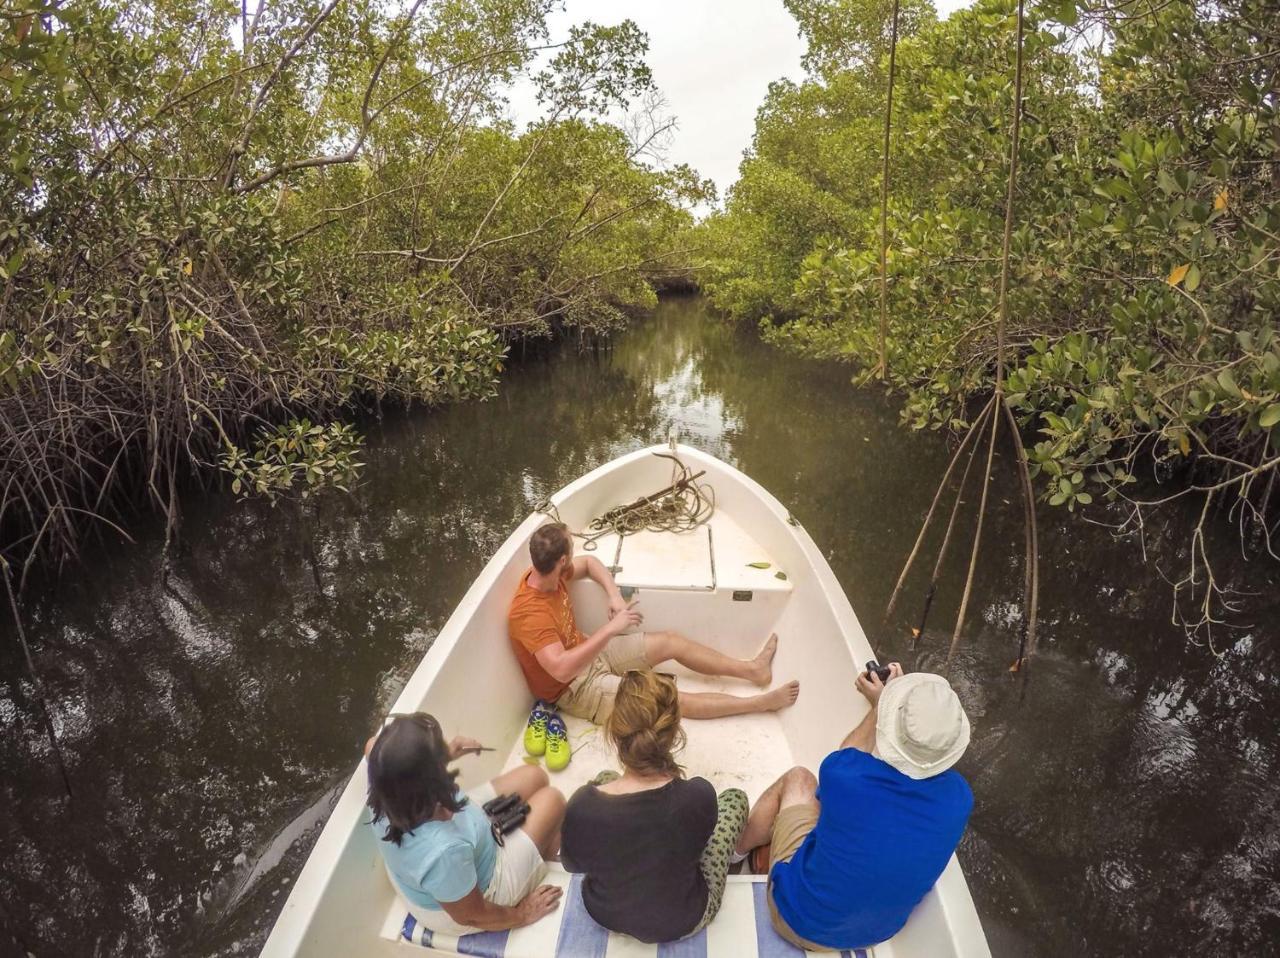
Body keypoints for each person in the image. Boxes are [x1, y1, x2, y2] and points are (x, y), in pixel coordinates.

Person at [736, 665, 973, 951]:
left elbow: (845, 756)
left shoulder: (847, 777)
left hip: (794, 919)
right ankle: (764, 853)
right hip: (872, 934)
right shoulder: (960, 798)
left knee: (798, 779)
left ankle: (735, 856)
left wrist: (878, 706)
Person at [508, 522, 799, 724]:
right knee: (667, 699)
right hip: (576, 688)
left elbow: (590, 564)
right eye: (570, 553)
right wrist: (611, 629)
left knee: (671, 641)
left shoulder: (551, 574)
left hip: (590, 653)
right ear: (560, 560)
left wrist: (613, 596)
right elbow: (560, 669)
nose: (573, 560)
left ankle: (752, 670)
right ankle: (760, 704)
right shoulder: (529, 614)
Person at [559, 671, 749, 942]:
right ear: (674, 734)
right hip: (684, 919)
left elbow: (572, 865)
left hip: (604, 912)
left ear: (614, 731)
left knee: (605, 778)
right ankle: (737, 858)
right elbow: (697, 839)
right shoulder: (698, 795)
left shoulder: (582, 805)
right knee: (735, 799)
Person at [364, 712, 567, 934]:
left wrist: (444, 755)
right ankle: (541, 859)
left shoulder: (386, 775)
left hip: (462, 841)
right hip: (476, 898)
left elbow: (371, 745)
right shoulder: (443, 853)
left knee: (535, 775)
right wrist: (522, 914)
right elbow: (471, 915)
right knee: (553, 800)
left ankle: (530, 846)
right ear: (431, 781)